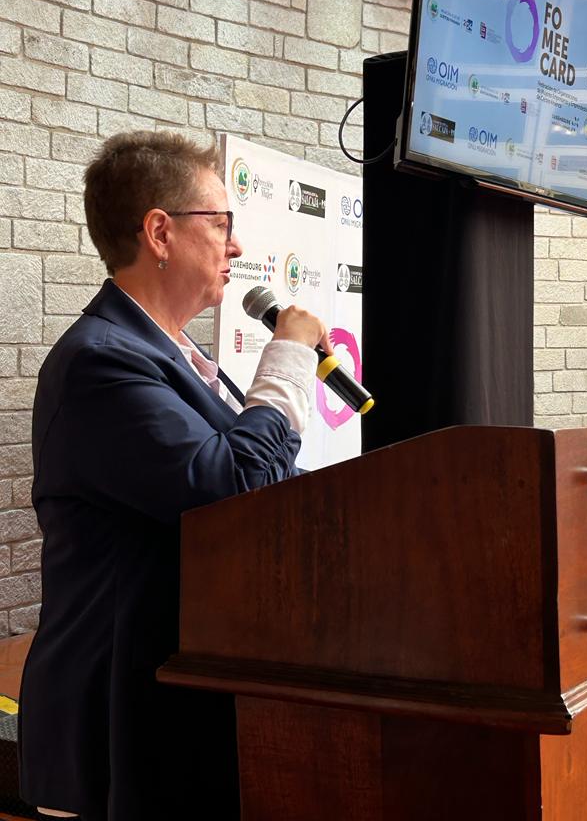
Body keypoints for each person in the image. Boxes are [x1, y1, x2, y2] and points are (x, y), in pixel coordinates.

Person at [18, 131, 331, 821]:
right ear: (160, 232)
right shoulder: (100, 362)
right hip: (115, 730)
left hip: (175, 713)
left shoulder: (174, 356)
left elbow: (270, 480)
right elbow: (233, 492)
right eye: (221, 223)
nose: (236, 246)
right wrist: (288, 355)